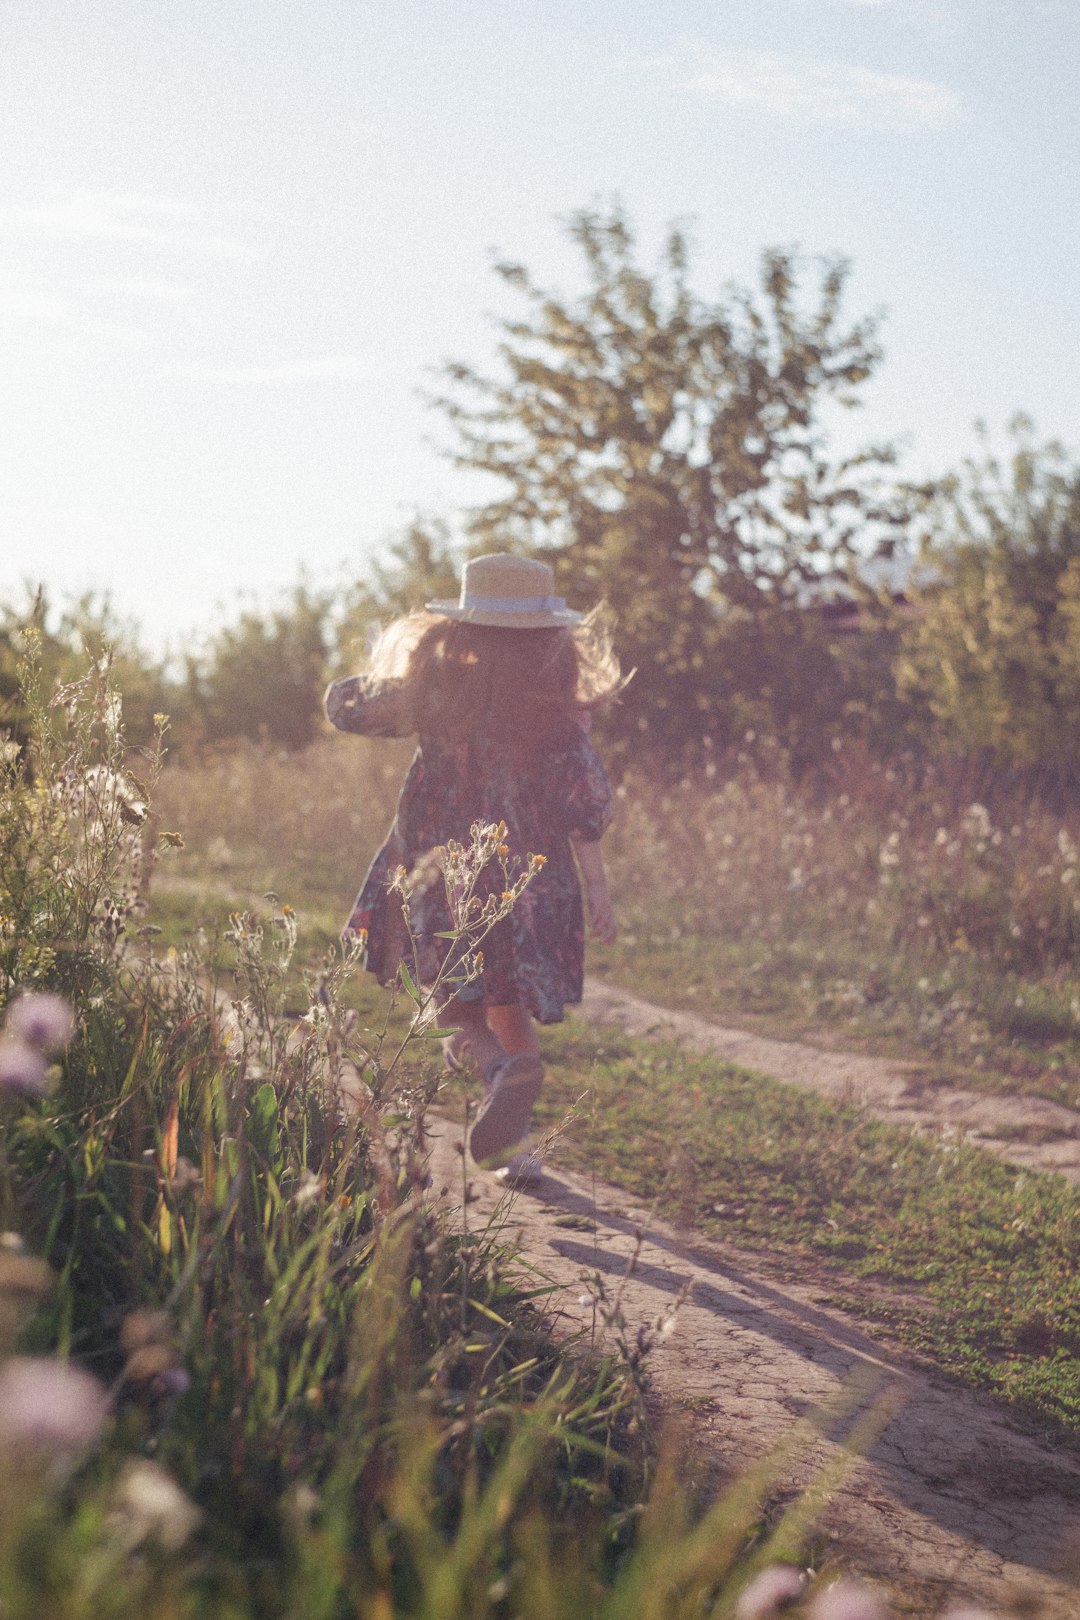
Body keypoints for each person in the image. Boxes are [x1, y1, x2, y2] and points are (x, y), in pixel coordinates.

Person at [324, 552, 622, 1183]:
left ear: (456, 629)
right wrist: (598, 887)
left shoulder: (432, 699)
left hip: (442, 875)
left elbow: (343, 705)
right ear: (549, 638)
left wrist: (412, 675)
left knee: (452, 1007)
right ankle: (516, 1135)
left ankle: (495, 1073)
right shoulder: (554, 712)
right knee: (506, 999)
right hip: (531, 882)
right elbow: (584, 803)